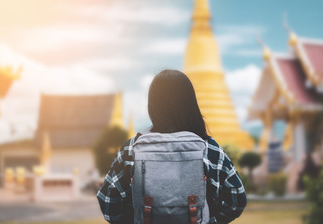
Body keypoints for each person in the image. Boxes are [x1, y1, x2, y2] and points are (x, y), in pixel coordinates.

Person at [97, 69, 247, 224]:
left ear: (152, 105)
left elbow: (107, 200)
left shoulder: (131, 149)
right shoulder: (209, 149)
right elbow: (237, 199)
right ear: (191, 103)